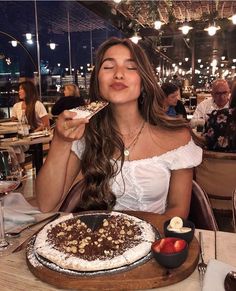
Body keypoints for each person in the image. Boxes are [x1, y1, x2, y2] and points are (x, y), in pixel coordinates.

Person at [36, 37, 202, 218]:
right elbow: (46, 204)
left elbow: (178, 211)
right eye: (108, 67)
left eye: (131, 67)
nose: (118, 74)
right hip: (101, 242)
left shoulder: (178, 136)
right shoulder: (85, 135)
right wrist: (61, 140)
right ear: (97, 80)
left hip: (157, 240)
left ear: (143, 80)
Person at [11, 81, 50, 168]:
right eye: (19, 89)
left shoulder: (37, 104)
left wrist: (32, 132)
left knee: (16, 146)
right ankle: (20, 169)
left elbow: (46, 124)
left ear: (28, 90)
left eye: (21, 89)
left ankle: (20, 169)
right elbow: (14, 124)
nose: (19, 91)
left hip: (33, 136)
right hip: (21, 136)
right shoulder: (16, 106)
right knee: (12, 146)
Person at [203, 81, 236, 152]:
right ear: (212, 94)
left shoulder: (218, 115)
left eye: (225, 93)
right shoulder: (204, 105)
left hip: (220, 161)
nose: (222, 96)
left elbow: (207, 142)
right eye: (218, 93)